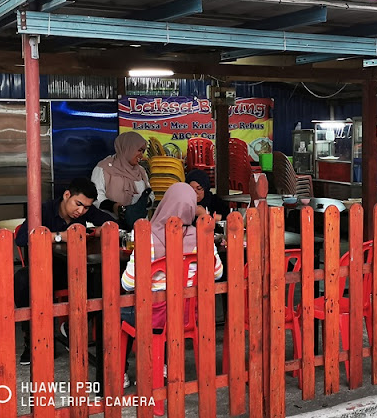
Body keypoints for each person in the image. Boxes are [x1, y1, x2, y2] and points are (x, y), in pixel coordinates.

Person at [120, 182, 223, 388]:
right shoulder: (203, 236)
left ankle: (121, 373)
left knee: (116, 312)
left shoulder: (147, 237)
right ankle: (164, 364)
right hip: (187, 314)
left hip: (153, 316)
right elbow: (218, 273)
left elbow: (128, 283)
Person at [14, 177, 116, 365]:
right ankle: (32, 340)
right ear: (67, 195)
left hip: (77, 269)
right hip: (45, 270)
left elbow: (112, 223)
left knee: (104, 279)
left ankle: (71, 327)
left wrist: (100, 230)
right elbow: (22, 238)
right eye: (78, 204)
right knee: (23, 280)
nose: (81, 211)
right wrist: (61, 237)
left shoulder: (86, 212)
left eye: (86, 207)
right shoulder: (43, 210)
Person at [91, 131, 155, 229]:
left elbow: (150, 194)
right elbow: (96, 197)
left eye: (143, 151)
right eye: (139, 150)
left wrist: (144, 202)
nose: (141, 155)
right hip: (112, 225)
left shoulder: (141, 171)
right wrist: (114, 207)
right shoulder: (103, 168)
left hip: (139, 226)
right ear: (127, 148)